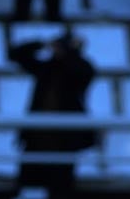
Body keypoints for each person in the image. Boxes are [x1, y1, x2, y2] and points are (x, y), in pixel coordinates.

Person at [7, 30, 96, 188]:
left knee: (61, 189)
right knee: (27, 185)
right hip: (36, 138)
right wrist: (42, 43)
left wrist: (70, 51)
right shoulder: (46, 68)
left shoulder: (81, 67)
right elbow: (15, 54)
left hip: (64, 140)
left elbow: (81, 72)